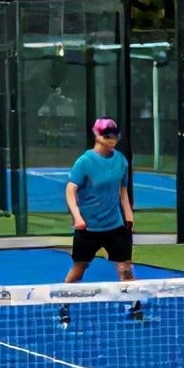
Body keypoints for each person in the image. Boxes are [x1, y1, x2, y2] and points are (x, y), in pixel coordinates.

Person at [59, 117, 138, 325]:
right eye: (106, 134)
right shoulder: (85, 162)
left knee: (125, 268)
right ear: (97, 135)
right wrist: (77, 217)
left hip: (115, 226)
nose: (111, 138)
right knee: (78, 270)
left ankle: (134, 305)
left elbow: (123, 193)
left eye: (114, 134)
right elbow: (70, 190)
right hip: (89, 228)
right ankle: (64, 304)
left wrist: (129, 217)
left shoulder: (121, 161)